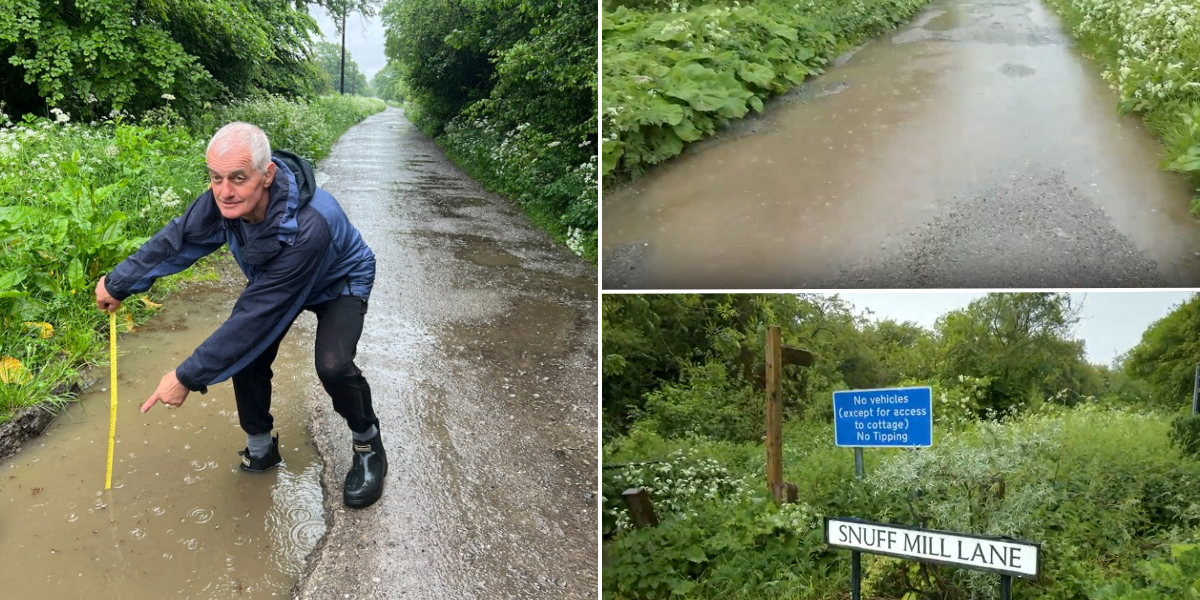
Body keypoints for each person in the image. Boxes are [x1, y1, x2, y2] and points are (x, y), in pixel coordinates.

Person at [94, 122, 386, 508]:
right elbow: (178, 239)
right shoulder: (225, 200)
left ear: (267, 175)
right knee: (248, 358)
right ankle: (260, 448)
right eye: (215, 178)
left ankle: (367, 442)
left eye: (236, 178)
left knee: (332, 364)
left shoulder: (310, 225)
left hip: (338, 279)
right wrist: (120, 282)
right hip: (276, 277)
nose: (224, 191)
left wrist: (185, 376)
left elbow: (254, 320)